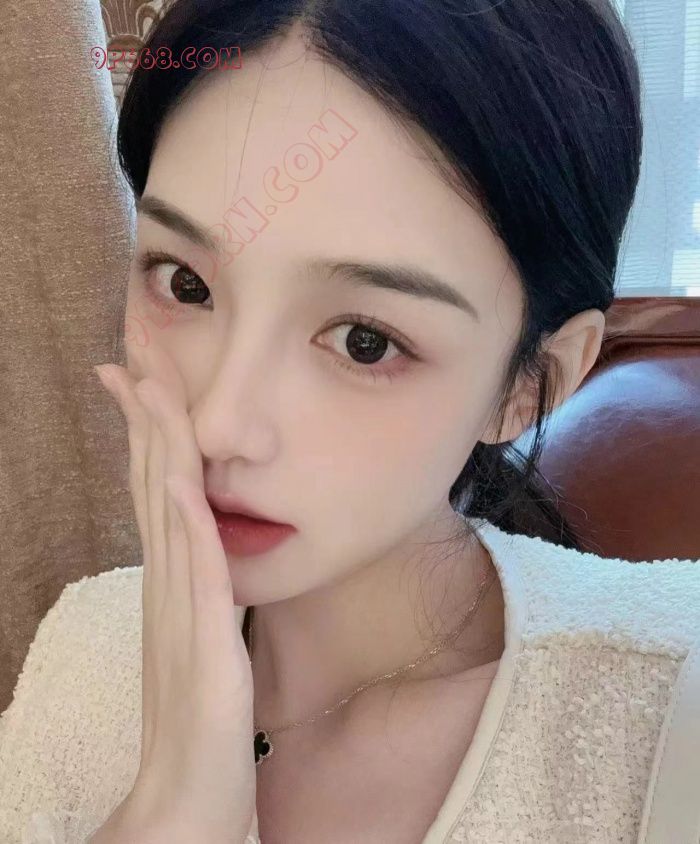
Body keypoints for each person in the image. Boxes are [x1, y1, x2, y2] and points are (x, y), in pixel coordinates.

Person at [1, 0, 699, 842]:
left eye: (365, 342)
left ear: (529, 383)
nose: (218, 425)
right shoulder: (83, 645)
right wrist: (173, 810)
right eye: (185, 283)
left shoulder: (665, 698)